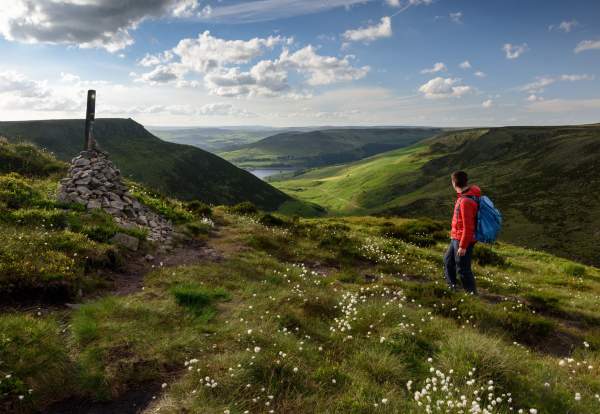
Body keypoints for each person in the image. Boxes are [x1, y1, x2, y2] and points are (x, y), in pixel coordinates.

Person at [444, 171, 480, 294]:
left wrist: (463, 246)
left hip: (462, 239)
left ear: (454, 183)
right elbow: (476, 188)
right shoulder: (472, 192)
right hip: (456, 236)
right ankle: (452, 287)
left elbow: (468, 227)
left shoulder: (465, 202)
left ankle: (472, 294)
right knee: (448, 261)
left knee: (463, 269)